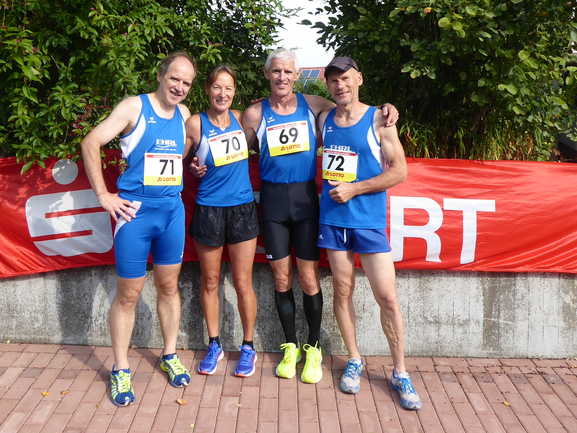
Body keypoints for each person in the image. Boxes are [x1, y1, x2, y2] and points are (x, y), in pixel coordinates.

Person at [242, 48, 399, 384]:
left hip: (305, 202)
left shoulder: (314, 105)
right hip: (273, 203)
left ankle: (313, 348)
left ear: (297, 76)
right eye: (276, 71)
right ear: (267, 74)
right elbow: (234, 149)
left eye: (288, 71)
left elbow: (351, 109)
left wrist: (387, 108)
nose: (282, 77)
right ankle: (290, 347)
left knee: (309, 278)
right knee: (281, 279)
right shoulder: (255, 113)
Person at [80, 52, 196, 407]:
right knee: (128, 295)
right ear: (161, 76)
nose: (179, 87)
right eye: (174, 78)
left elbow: (178, 155)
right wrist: (104, 195)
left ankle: (169, 353)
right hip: (135, 214)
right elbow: (90, 142)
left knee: (169, 287)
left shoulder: (185, 115)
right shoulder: (134, 107)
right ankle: (120, 367)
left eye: (186, 82)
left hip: (171, 213)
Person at [316, 56, 422, 410]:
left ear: (359, 79)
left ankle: (400, 371)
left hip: (368, 222)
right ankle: (354, 358)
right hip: (334, 221)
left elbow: (399, 172)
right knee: (342, 290)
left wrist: (355, 189)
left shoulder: (379, 119)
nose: (340, 85)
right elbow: (293, 100)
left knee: (387, 297)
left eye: (346, 78)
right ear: (327, 85)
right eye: (333, 80)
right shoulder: (324, 118)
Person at [186, 65, 259, 377]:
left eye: (228, 88)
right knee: (211, 281)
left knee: (243, 282)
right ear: (207, 89)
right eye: (217, 87)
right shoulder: (195, 123)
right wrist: (193, 169)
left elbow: (284, 105)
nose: (223, 93)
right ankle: (214, 344)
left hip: (242, 208)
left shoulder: (243, 118)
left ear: (234, 91)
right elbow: (179, 160)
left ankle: (248, 346)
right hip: (209, 210)